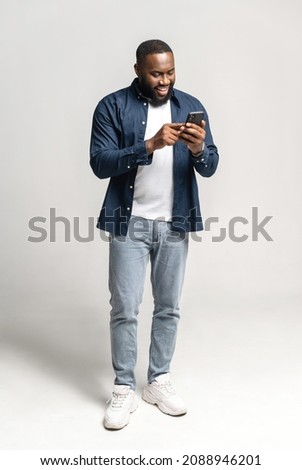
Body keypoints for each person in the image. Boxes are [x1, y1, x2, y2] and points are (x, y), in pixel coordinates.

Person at [90, 39, 219, 430]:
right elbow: (99, 163)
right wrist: (149, 144)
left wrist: (198, 151)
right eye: (156, 73)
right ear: (138, 71)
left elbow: (211, 165)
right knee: (125, 308)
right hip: (128, 224)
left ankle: (158, 380)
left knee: (168, 307)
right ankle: (124, 386)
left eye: (170, 72)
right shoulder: (112, 106)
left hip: (175, 222)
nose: (165, 81)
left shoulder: (189, 106)